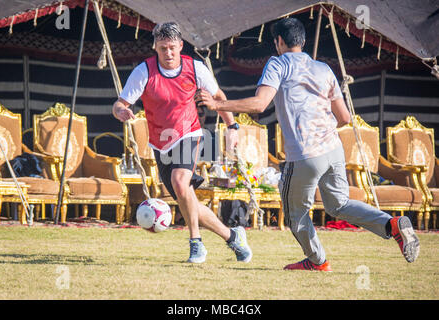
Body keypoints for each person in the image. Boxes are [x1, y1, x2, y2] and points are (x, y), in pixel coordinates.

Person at [195, 17, 420, 271]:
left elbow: (259, 104)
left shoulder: (277, 64)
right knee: (340, 204)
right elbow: (344, 117)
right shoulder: (324, 69)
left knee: (294, 213)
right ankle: (391, 224)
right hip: (333, 150)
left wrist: (218, 105)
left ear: (279, 42)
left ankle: (317, 261)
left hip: (304, 154)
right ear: (302, 41)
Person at [112, 22, 252, 264]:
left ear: (181, 46)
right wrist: (121, 111)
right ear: (155, 46)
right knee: (187, 199)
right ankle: (233, 236)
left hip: (189, 134)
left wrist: (232, 127)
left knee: (179, 182)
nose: (168, 53)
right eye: (163, 48)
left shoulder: (195, 68)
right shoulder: (143, 71)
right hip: (160, 143)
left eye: (173, 48)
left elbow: (219, 98)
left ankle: (196, 244)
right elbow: (120, 103)